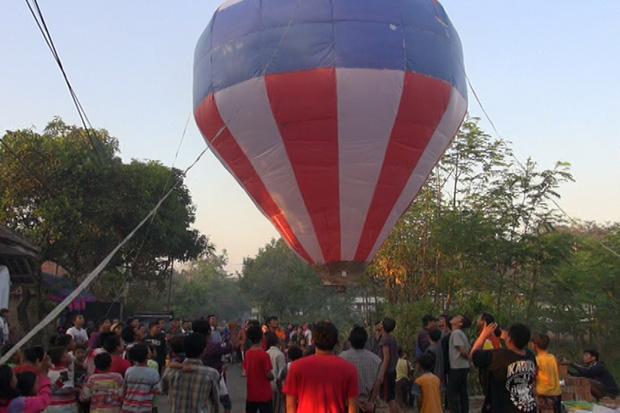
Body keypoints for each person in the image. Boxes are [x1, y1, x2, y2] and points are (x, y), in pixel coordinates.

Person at [284, 321, 359, 413]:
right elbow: (353, 408)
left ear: (313, 341)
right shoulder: (349, 369)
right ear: (336, 342)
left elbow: (290, 405)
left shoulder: (296, 367)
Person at [471, 322, 538, 413]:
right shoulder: (530, 356)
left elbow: (473, 355)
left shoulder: (498, 357)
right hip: (528, 408)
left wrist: (484, 335)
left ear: (510, 339)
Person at [161, 333, 220, 412]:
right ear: (204, 350)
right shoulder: (211, 374)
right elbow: (215, 402)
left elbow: (163, 390)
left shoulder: (170, 371)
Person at [340, 325, 381, 412]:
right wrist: (371, 402)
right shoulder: (376, 360)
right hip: (367, 405)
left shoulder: (342, 358)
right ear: (365, 341)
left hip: (348, 404)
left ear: (350, 340)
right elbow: (378, 382)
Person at [244, 324, 274, 413]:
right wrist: (273, 376)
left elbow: (246, 370)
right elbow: (269, 375)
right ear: (262, 337)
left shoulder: (247, 353)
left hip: (251, 395)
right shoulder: (264, 355)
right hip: (264, 395)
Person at [122, 343, 160, 412]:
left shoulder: (129, 371)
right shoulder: (153, 373)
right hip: (145, 409)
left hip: (128, 407)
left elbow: (124, 389)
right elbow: (157, 391)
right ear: (148, 356)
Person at [374, 317, 399, 413]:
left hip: (387, 372)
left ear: (383, 326)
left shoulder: (384, 339)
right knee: (391, 397)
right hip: (392, 370)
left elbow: (386, 357)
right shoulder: (391, 338)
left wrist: (381, 373)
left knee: (390, 399)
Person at [447, 315, 471, 413]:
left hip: (457, 367)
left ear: (460, 323)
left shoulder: (456, 333)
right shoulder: (460, 333)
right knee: (462, 392)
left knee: (453, 394)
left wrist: (469, 359)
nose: (454, 317)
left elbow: (462, 350)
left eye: (457, 317)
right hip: (462, 367)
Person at [532, 334, 561, 413]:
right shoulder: (553, 357)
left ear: (535, 345)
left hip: (543, 395)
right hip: (556, 394)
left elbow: (533, 376)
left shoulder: (536, 360)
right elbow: (558, 372)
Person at [46, 346, 77, 413]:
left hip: (52, 405)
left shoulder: (50, 371)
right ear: (63, 359)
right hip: (64, 407)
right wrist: (77, 390)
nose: (70, 355)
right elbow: (66, 389)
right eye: (67, 354)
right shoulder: (64, 372)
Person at [265, 332, 285, 413]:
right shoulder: (280, 354)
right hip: (276, 387)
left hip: (267, 386)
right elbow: (281, 373)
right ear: (277, 341)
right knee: (277, 409)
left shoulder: (266, 353)